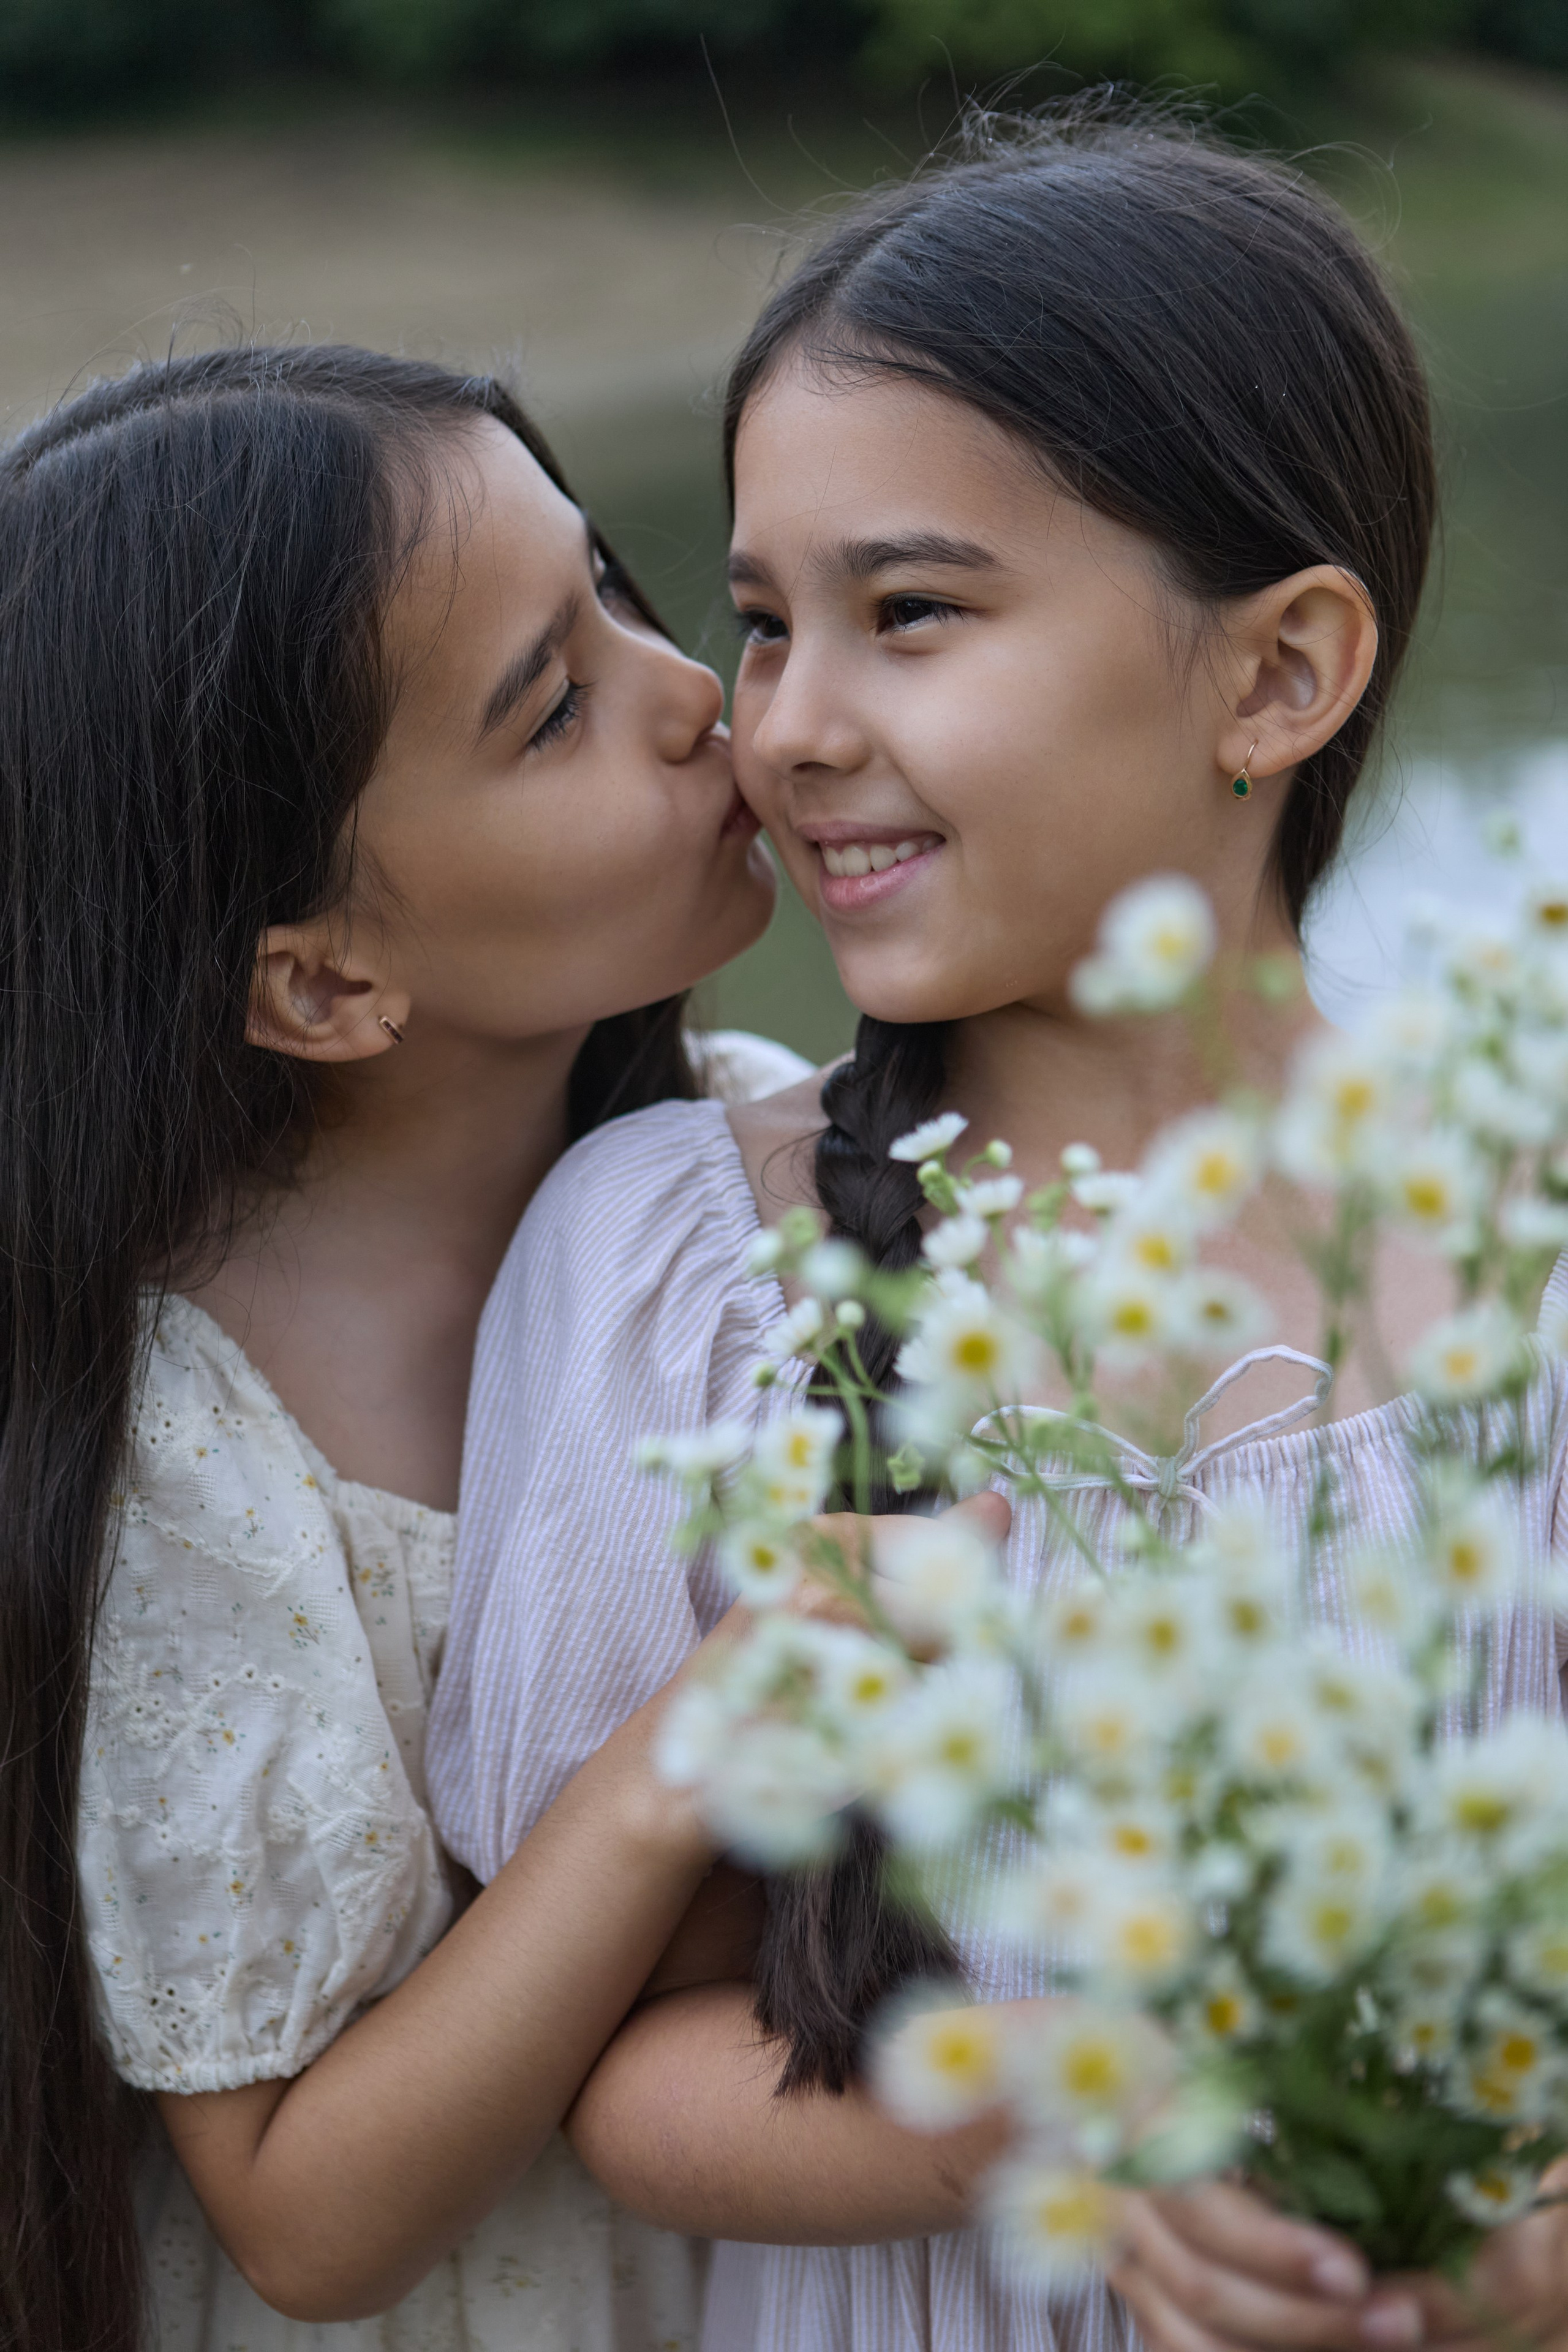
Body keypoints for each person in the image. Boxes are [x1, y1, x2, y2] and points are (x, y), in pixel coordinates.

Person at [427, 104, 1568, 2352]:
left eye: (914, 615)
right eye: (762, 624)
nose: (788, 729)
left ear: (1278, 677)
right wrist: (1063, 2097)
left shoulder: (1522, 1249)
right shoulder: (690, 1270)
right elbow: (620, 2073)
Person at [0, 341, 813, 2352]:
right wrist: (687, 1758)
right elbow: (304, 2220)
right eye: (557, 708)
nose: (696, 688)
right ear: (323, 975)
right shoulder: (194, 1456)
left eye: (621, 589)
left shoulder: (769, 1166)